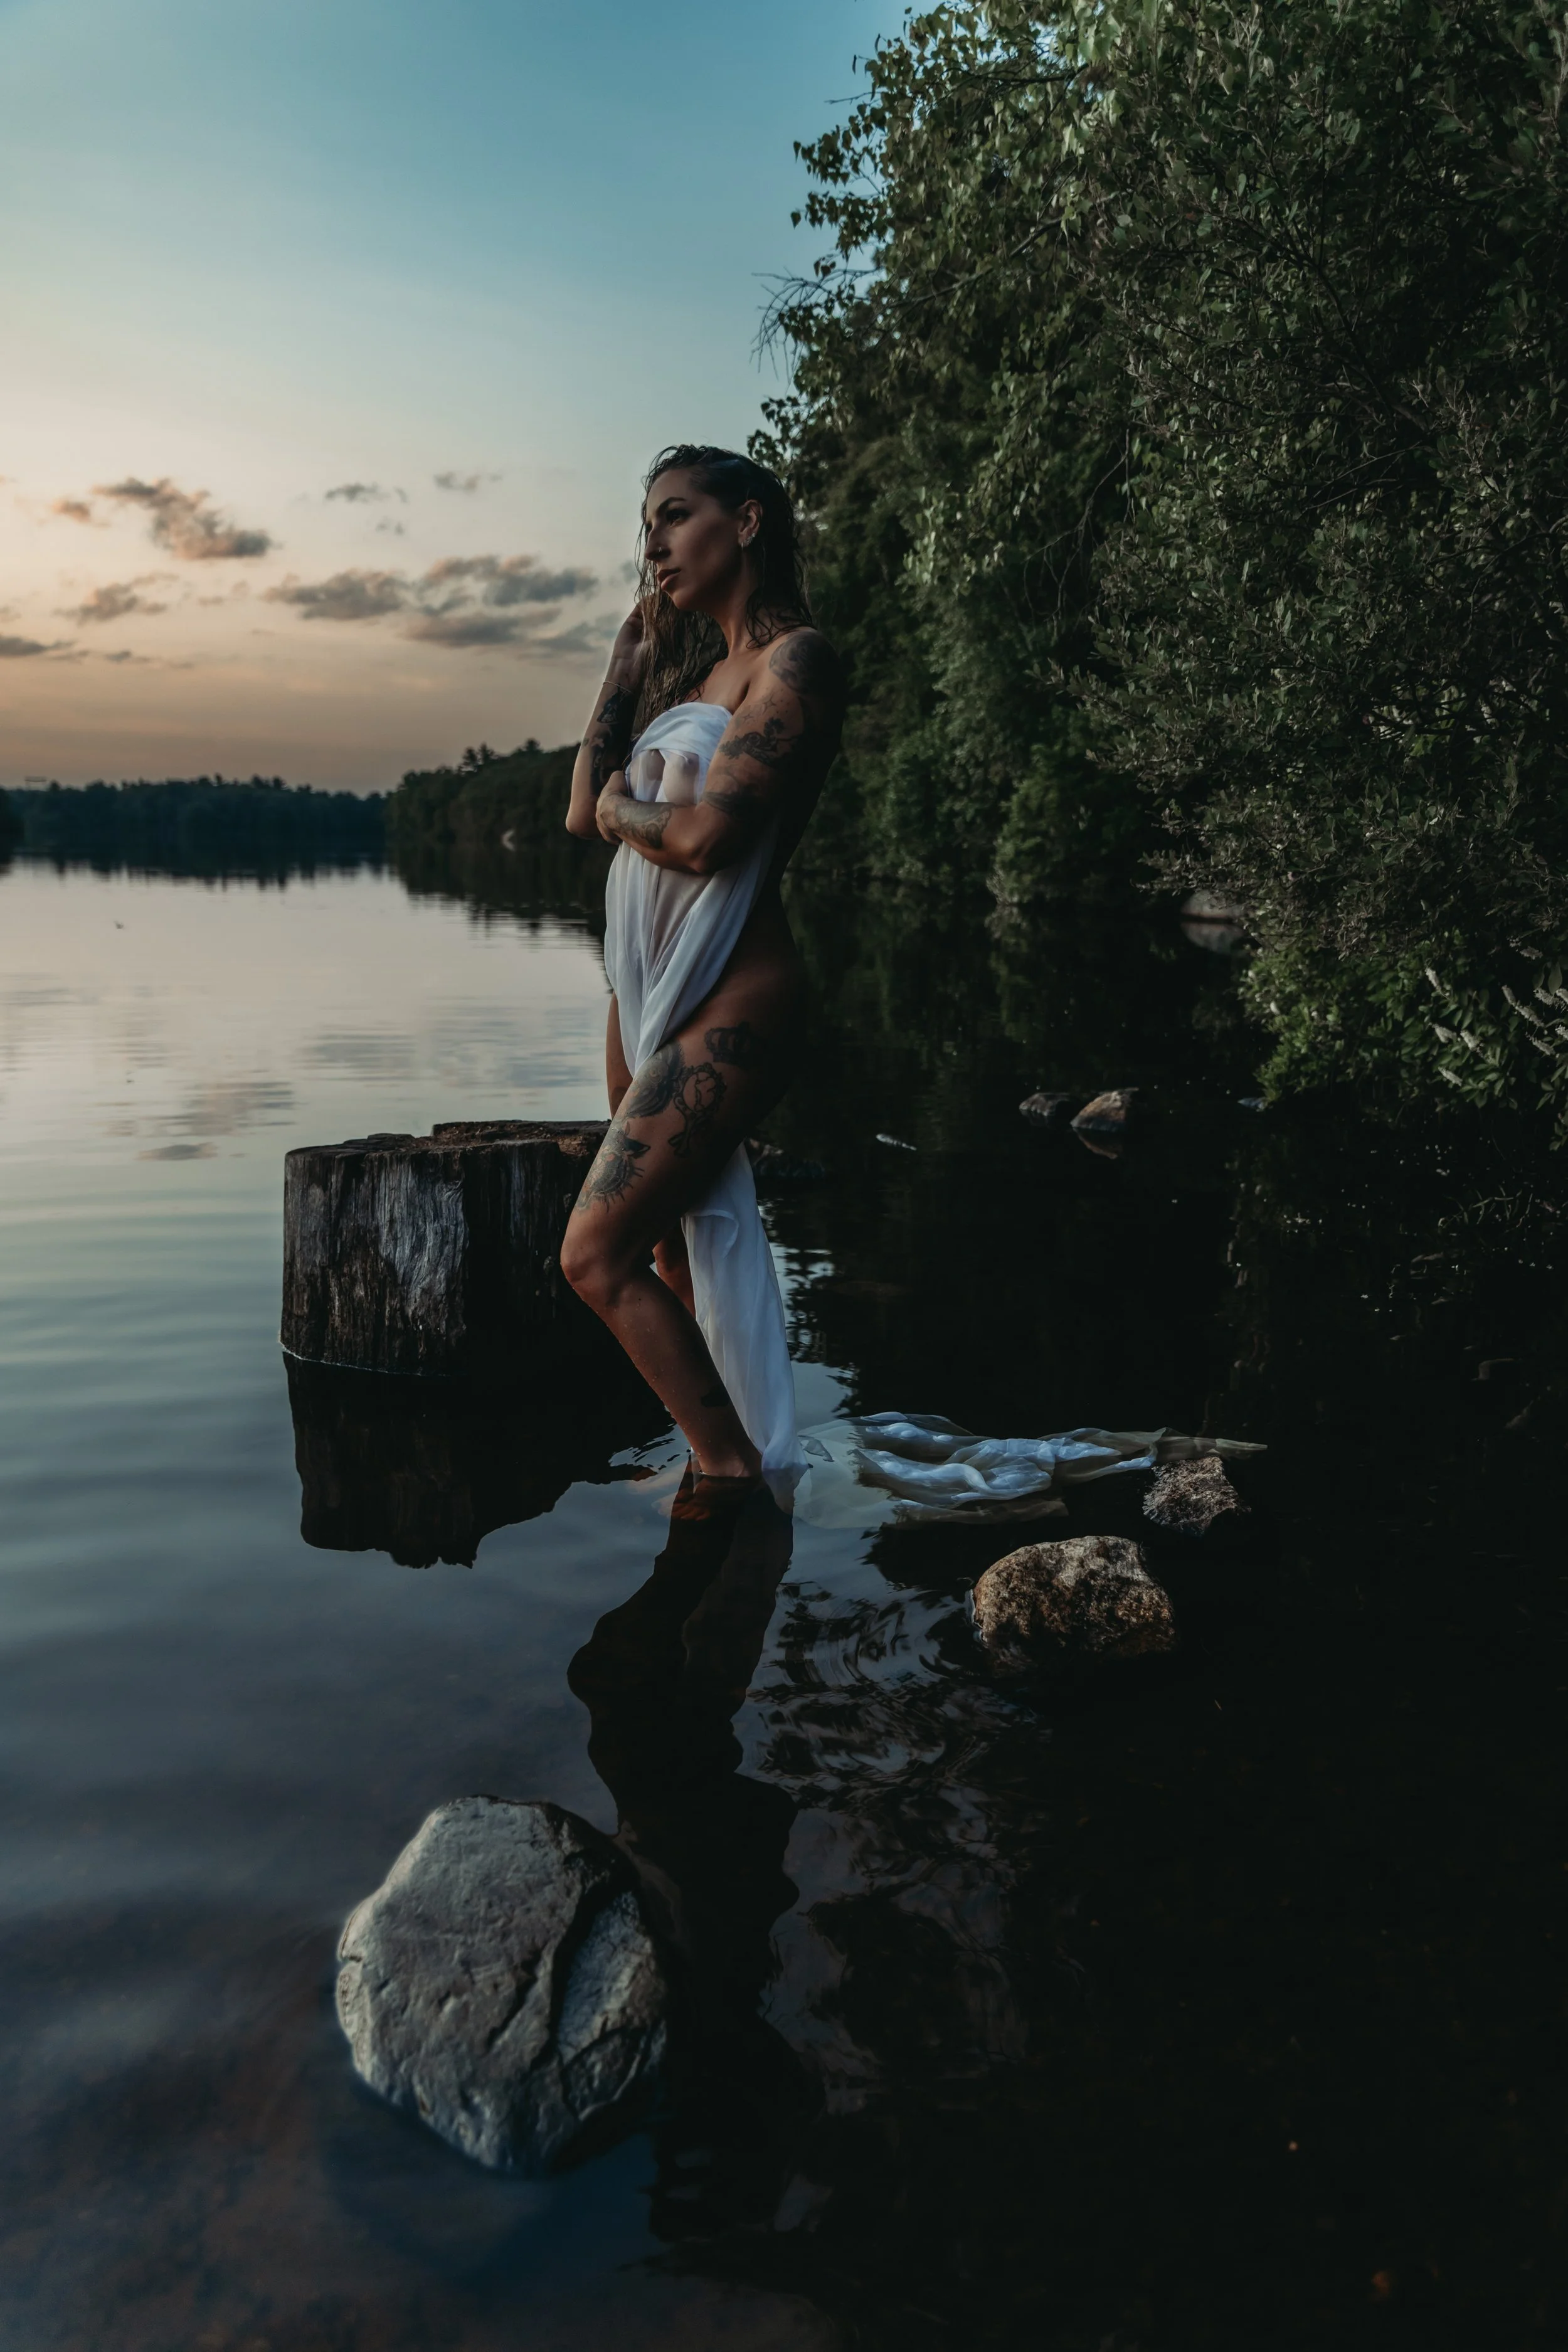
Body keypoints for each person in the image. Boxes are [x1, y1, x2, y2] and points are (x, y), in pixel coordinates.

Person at [560, 445, 844, 1486]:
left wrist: (629, 813)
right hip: (640, 994)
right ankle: (703, 1455)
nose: (657, 545)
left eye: (676, 517)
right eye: (649, 527)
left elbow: (703, 839)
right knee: (667, 1251)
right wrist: (622, 671)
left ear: (750, 521)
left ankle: (730, 1475)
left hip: (732, 991)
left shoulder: (796, 663)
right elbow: (577, 809)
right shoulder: (691, 675)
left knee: (593, 1254)